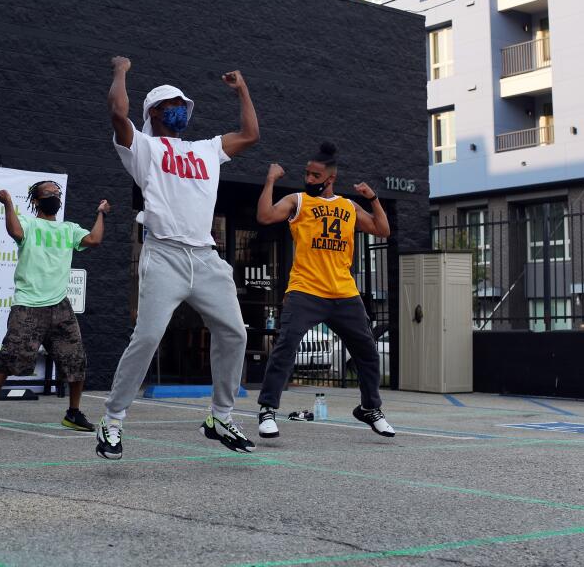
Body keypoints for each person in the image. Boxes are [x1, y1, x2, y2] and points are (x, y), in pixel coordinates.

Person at [97, 55, 259, 460]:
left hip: (206, 257)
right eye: (174, 105)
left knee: (235, 333)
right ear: (155, 111)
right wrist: (121, 71)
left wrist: (242, 90)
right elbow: (118, 113)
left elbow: (250, 134)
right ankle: (112, 419)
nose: (182, 110)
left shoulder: (206, 149)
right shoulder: (145, 148)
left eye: (185, 105)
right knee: (148, 337)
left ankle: (220, 417)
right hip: (165, 254)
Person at [253, 142, 396, 440]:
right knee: (285, 347)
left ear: (330, 178)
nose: (309, 179)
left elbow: (383, 231)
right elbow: (265, 216)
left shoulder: (348, 206)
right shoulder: (298, 201)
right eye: (307, 174)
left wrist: (374, 199)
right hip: (305, 290)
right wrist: (270, 181)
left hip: (344, 293)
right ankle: (267, 409)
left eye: (315, 175)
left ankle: (370, 408)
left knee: (368, 353)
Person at [0, 181, 109, 434]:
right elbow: (15, 232)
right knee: (9, 358)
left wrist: (101, 213)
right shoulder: (28, 222)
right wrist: (8, 205)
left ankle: (73, 413)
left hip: (60, 306)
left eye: (57, 193)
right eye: (49, 193)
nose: (55, 196)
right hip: (28, 305)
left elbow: (94, 239)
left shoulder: (69, 229)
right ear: (36, 201)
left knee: (76, 360)